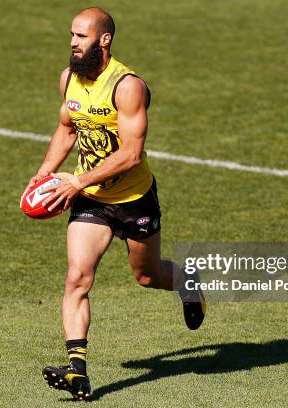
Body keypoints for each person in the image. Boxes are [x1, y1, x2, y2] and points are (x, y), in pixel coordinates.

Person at [26, 7, 205, 401]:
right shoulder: (69, 80)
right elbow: (66, 128)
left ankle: (188, 283)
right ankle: (78, 372)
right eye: (71, 35)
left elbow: (131, 155)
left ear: (103, 40)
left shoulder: (127, 86)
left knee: (147, 275)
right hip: (91, 200)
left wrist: (78, 180)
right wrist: (45, 173)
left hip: (133, 198)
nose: (73, 43)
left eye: (82, 36)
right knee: (77, 278)